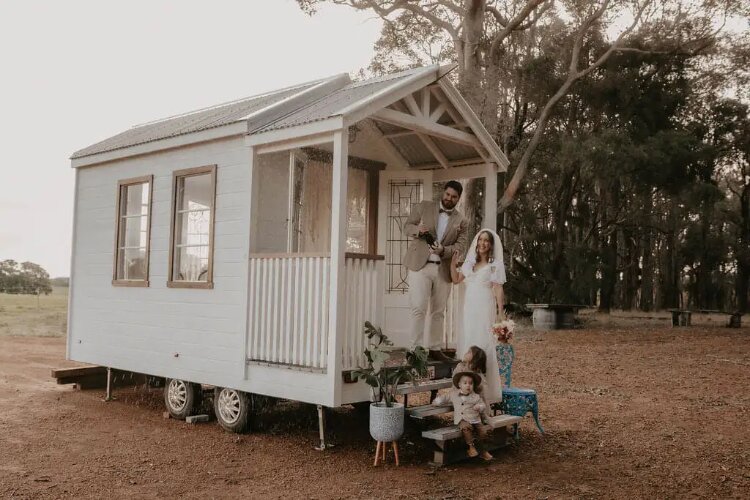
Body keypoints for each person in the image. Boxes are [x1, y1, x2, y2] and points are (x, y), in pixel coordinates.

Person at [403, 180, 468, 362]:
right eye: (447, 194)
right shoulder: (424, 206)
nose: (449, 199)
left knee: (438, 311)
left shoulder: (462, 221)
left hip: (443, 269)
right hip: (420, 266)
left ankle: (435, 348)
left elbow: (461, 244)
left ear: (458, 199)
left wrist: (444, 251)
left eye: (454, 197)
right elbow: (406, 226)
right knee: (418, 308)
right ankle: (414, 350)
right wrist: (418, 230)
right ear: (443, 192)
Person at [450, 229, 506, 404]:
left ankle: (484, 393)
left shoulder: (494, 265)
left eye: (486, 241)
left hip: (484, 307)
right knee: (470, 343)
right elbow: (456, 279)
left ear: (491, 245)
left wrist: (500, 312)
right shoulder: (470, 263)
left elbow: (498, 289)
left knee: (483, 345)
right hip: (470, 309)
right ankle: (465, 390)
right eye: (480, 240)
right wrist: (452, 264)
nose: (482, 243)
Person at [432, 370, 493, 460]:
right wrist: (437, 401)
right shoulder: (453, 394)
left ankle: (483, 451)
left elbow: (483, 405)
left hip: (475, 418)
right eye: (465, 383)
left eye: (471, 383)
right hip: (462, 419)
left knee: (482, 432)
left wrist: (479, 406)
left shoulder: (476, 396)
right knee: (466, 428)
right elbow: (444, 398)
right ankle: (471, 447)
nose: (468, 385)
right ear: (459, 385)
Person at [453, 345, 492, 420]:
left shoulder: (477, 372)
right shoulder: (460, 366)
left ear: (475, 359)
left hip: (475, 396)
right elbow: (456, 382)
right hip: (461, 393)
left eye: (469, 352)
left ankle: (484, 415)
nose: (466, 353)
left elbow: (481, 389)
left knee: (480, 394)